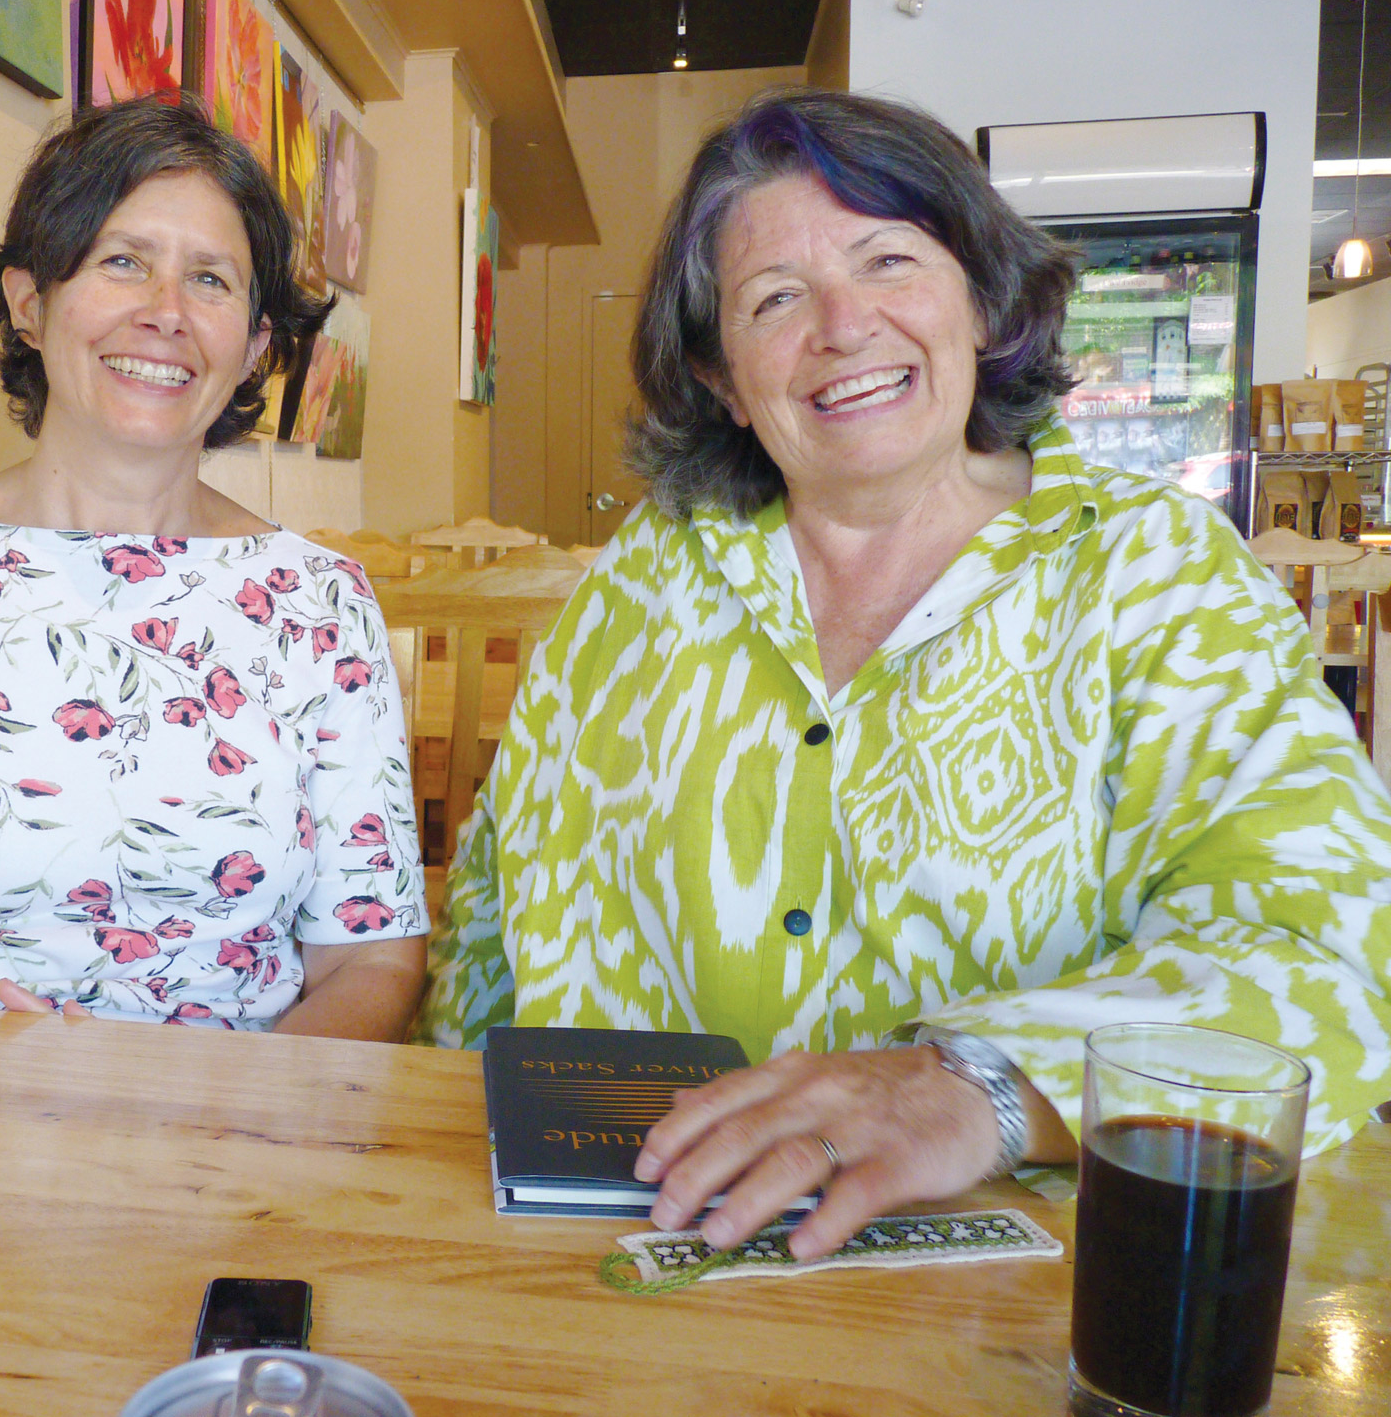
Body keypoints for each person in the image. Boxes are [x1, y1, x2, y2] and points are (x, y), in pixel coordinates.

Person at [421, 88, 1391, 1256]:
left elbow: (1320, 947)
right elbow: (492, 913)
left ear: (980, 301)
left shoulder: (1153, 574)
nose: (842, 326)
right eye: (773, 298)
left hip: (1015, 1300)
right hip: (632, 1261)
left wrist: (977, 1085)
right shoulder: (643, 582)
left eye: (887, 260)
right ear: (721, 375)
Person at [0, 99, 426, 1040]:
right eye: (123, 261)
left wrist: (223, 1115)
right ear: (31, 303)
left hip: (245, 1155)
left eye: (212, 281)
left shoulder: (321, 603)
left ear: (256, 347)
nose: (166, 314)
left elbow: (373, 959)